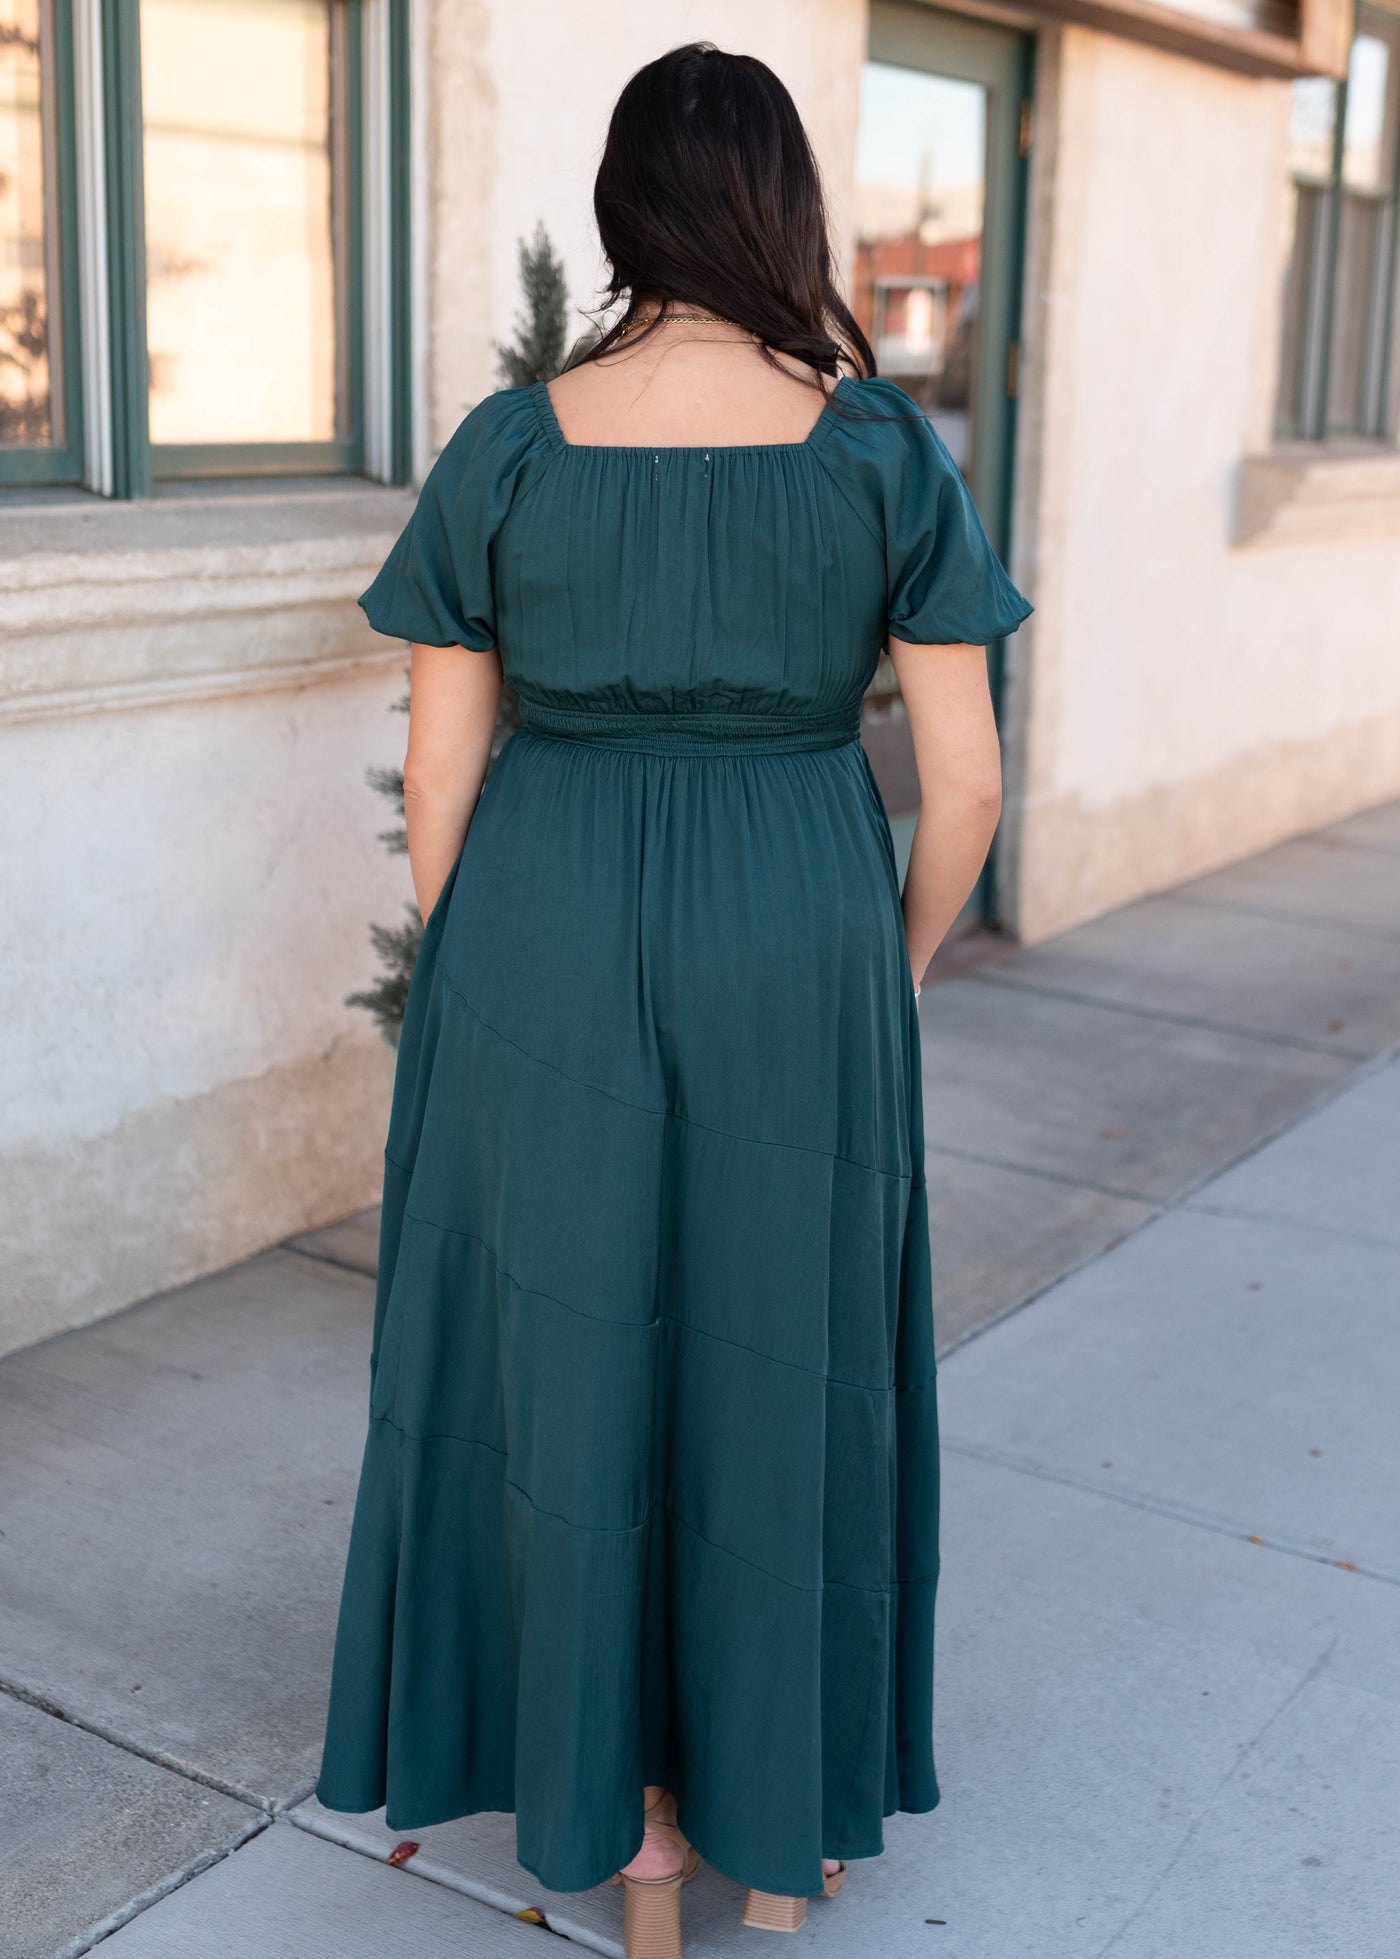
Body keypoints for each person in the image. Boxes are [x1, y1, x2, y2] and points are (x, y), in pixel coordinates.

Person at [315, 40, 1032, 1959]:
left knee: (566, 1360)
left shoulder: (516, 444)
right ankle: (773, 1829)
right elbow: (962, 783)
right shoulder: (883, 447)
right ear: (788, 207)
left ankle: (623, 1826)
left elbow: (442, 782)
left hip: (542, 918)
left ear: (630, 205)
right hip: (796, 925)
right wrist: (880, 965)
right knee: (783, 1358)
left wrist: (506, 990)